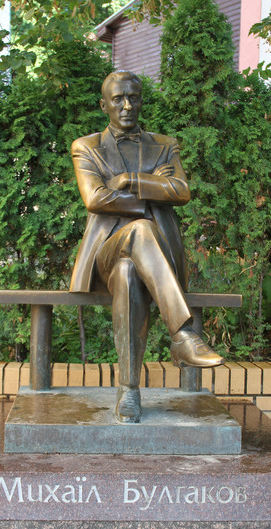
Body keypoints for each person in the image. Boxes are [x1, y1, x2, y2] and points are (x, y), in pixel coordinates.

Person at [69, 71, 224, 423]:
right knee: (139, 231)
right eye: (118, 99)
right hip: (107, 253)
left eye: (133, 98)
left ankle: (129, 392)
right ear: (104, 105)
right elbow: (95, 198)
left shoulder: (164, 146)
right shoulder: (86, 147)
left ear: (141, 101)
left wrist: (130, 180)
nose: (127, 105)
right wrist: (150, 196)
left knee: (129, 271)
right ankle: (182, 334)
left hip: (153, 261)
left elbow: (180, 191)